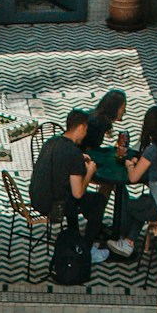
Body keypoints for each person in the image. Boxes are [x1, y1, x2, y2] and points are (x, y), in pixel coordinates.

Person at [28, 108, 109, 264]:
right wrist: (90, 171)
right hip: (53, 207)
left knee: (70, 196)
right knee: (97, 201)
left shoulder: (51, 142)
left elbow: (62, 166)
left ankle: (75, 236)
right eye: (85, 129)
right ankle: (86, 250)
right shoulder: (73, 153)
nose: (86, 134)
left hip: (37, 198)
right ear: (80, 127)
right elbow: (78, 192)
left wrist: (79, 160)